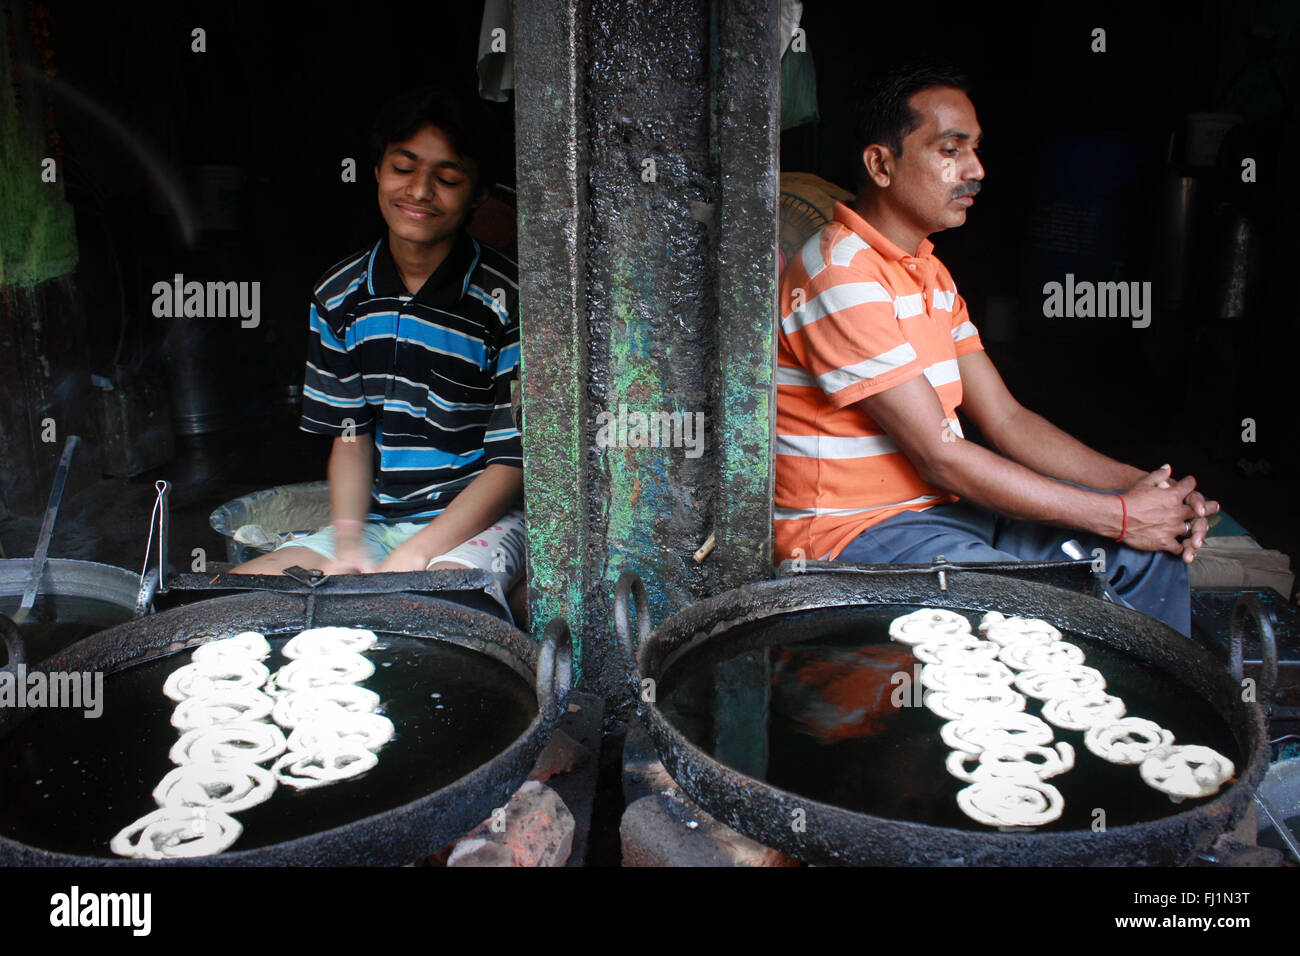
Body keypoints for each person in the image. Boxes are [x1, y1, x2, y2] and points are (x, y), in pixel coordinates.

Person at [775, 63, 1217, 635]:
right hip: (853, 537)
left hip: (944, 516)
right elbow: (941, 455)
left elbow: (1007, 420)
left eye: (976, 150)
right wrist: (1121, 516)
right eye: (951, 150)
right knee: (1042, 609)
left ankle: (1150, 724)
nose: (976, 170)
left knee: (1147, 554)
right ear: (881, 164)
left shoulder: (930, 275)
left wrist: (1146, 493)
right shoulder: (840, 275)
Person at [234, 87, 525, 618]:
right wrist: (347, 546)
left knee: (433, 612)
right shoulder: (339, 295)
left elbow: (511, 463)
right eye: (403, 168)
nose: (420, 191)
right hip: (378, 524)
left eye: (449, 178)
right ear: (376, 171)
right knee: (233, 598)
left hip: (481, 524)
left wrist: (420, 551)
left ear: (479, 193)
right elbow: (351, 439)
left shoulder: (505, 300)